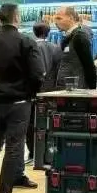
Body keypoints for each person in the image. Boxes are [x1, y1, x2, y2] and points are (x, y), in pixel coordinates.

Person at [0, 4, 45, 193]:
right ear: (17, 17)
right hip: (19, 103)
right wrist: (31, 93)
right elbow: (38, 73)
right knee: (14, 148)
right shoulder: (26, 41)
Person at [21, 22, 61, 176]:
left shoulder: (29, 47)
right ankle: (50, 154)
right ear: (49, 32)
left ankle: (33, 153)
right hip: (51, 92)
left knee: (31, 123)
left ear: (33, 32)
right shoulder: (56, 48)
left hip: (33, 91)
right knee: (51, 123)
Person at [54, 6, 97, 89]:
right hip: (66, 88)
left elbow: (89, 65)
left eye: (59, 18)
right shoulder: (68, 37)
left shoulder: (79, 36)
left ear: (71, 18)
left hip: (77, 89)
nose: (56, 22)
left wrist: (92, 89)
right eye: (55, 19)